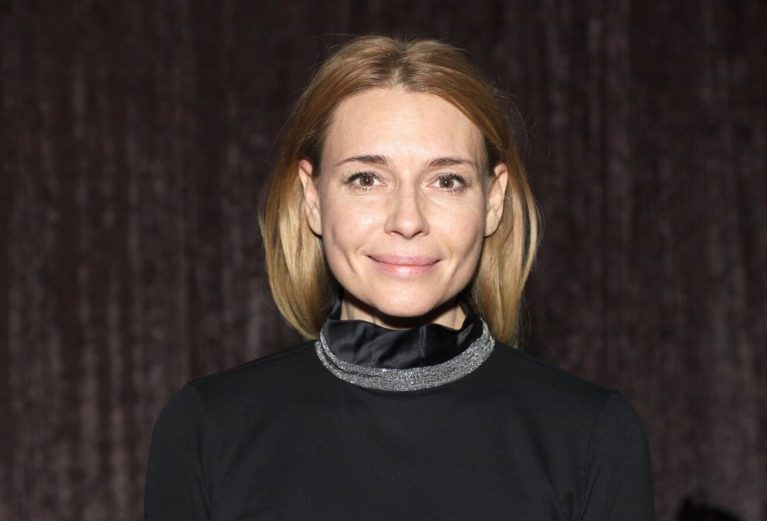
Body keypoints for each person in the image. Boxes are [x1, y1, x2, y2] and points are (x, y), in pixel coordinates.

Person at [145, 35, 654, 520]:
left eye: (446, 180)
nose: (407, 220)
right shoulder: (208, 428)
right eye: (366, 179)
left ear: (493, 201)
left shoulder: (591, 433)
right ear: (313, 199)